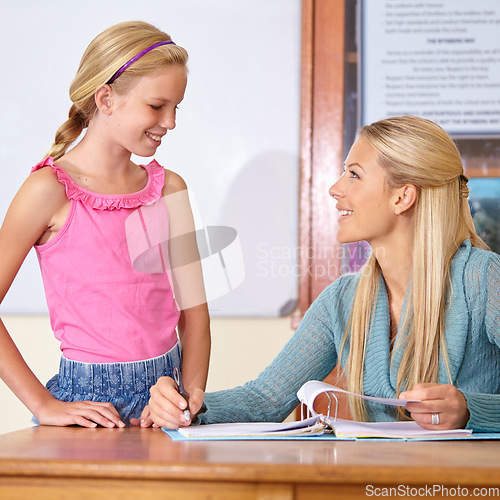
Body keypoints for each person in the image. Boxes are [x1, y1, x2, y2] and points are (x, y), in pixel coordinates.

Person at [149, 115, 500, 432]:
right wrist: (186, 406)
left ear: (402, 197)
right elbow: (266, 399)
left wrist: (471, 409)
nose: (335, 188)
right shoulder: (343, 298)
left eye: (354, 174)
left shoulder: (483, 279)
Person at [0, 21, 210, 428]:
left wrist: (188, 397)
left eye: (176, 107)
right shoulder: (47, 190)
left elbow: (195, 314)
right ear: (106, 98)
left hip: (163, 409)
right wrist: (44, 405)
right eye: (156, 106)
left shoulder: (170, 191)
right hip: (87, 415)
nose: (170, 122)